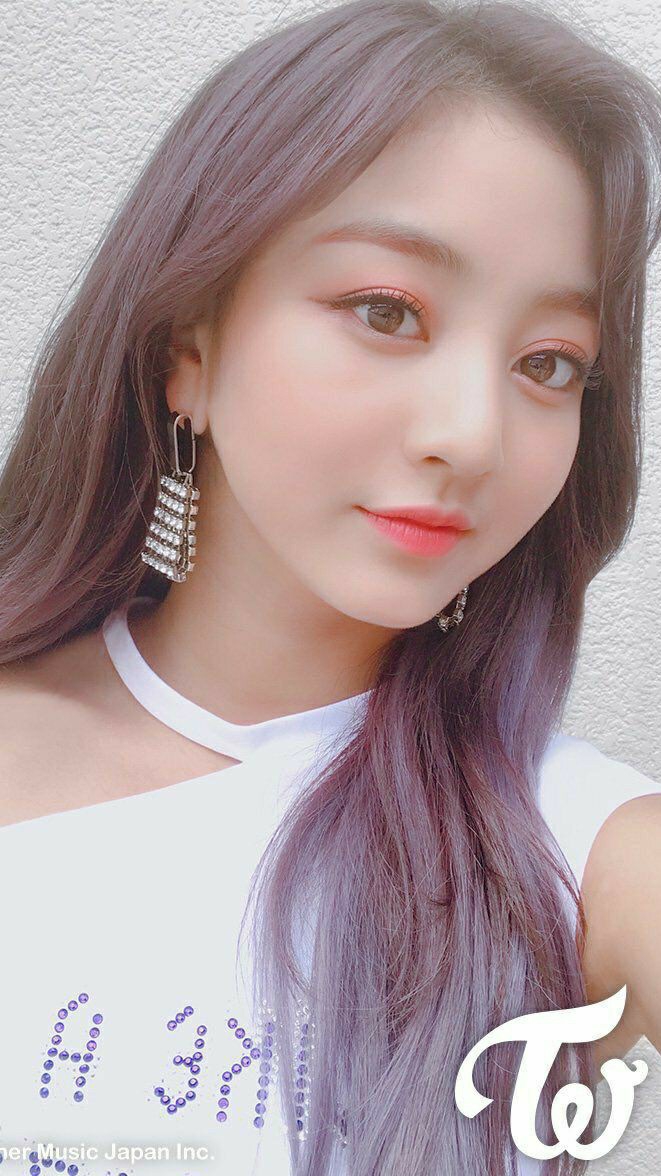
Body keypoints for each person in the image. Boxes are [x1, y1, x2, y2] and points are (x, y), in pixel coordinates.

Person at [0, 0, 659, 1173]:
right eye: (385, 312)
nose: (472, 434)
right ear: (188, 348)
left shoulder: (572, 852)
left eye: (548, 364)